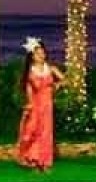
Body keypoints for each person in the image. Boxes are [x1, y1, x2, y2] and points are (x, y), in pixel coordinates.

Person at [17, 37, 63, 172]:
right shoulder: (30, 73)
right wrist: (30, 105)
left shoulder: (51, 68)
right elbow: (29, 90)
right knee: (32, 132)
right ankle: (33, 159)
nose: (42, 55)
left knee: (46, 134)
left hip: (47, 106)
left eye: (43, 53)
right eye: (38, 53)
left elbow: (64, 80)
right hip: (36, 106)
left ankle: (44, 162)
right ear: (32, 56)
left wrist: (57, 85)